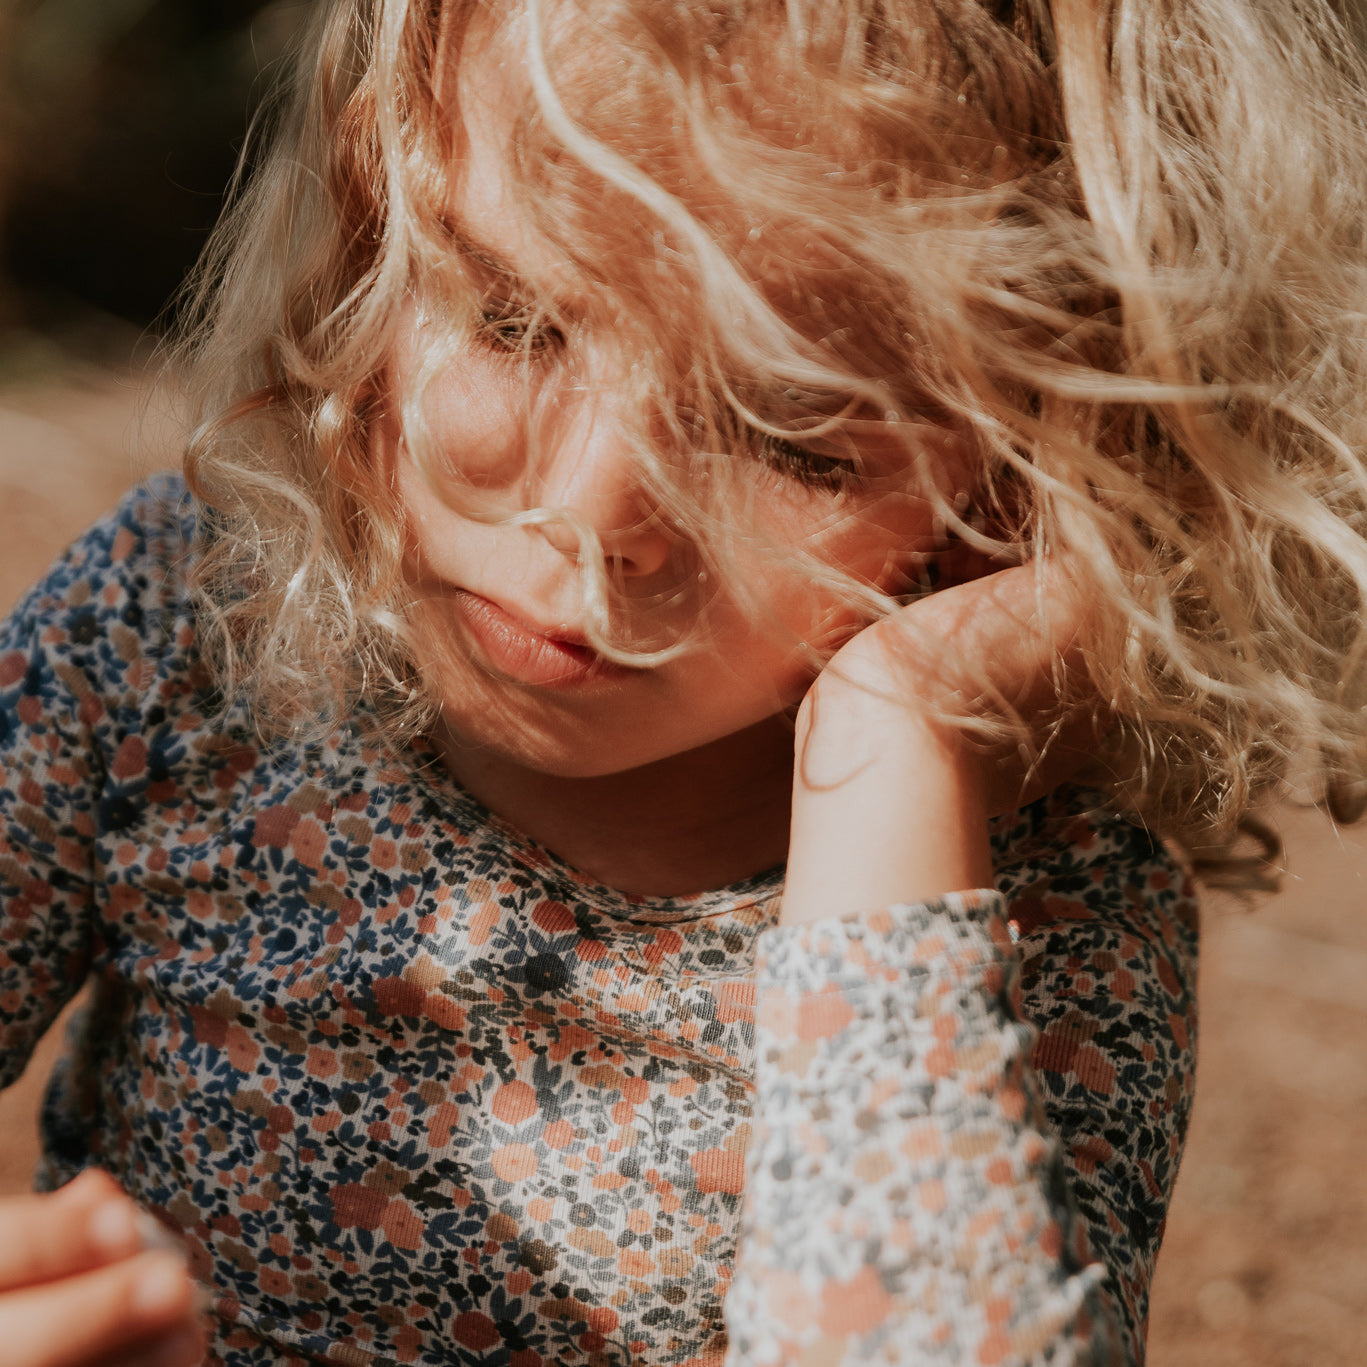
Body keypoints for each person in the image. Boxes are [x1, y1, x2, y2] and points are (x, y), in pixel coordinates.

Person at [3, 0, 1365, 1363]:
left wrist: (898, 741)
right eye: (515, 319)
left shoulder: (1029, 900)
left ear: (1022, 488)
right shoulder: (183, 628)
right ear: (378, 221)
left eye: (790, 436)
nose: (594, 520)